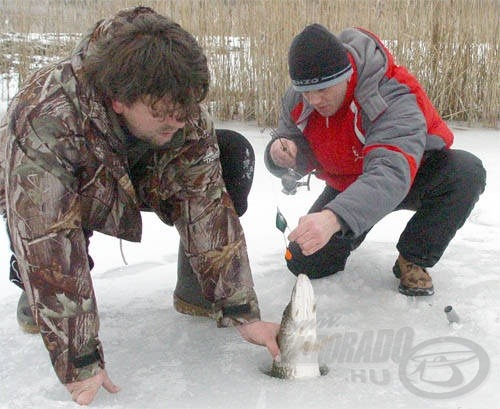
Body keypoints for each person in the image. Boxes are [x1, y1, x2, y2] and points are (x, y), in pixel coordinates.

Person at [0, 7, 279, 405]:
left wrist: (241, 310)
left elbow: (204, 202)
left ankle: (198, 290)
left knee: (230, 152)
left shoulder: (176, 106)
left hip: (131, 174)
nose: (178, 122)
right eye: (163, 114)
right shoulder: (46, 120)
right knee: (49, 230)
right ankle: (31, 286)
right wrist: (80, 362)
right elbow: (48, 234)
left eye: (184, 112)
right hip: (49, 191)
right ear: (118, 100)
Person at [265, 24, 486, 296]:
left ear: (346, 75)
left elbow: (390, 173)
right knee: (305, 259)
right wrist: (281, 155)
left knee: (466, 171)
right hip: (350, 182)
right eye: (306, 91)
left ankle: (414, 256)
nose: (314, 99)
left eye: (323, 90)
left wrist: (334, 218)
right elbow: (294, 141)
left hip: (412, 174)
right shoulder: (300, 99)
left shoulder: (392, 94)